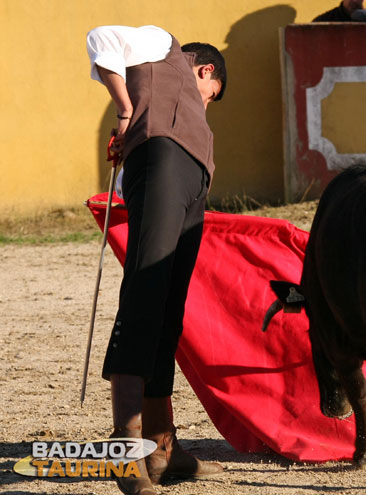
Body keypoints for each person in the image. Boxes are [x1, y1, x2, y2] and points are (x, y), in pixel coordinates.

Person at [86, 25, 227, 495]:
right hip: (164, 159)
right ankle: (124, 450)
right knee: (147, 291)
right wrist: (126, 111)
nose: (204, 105)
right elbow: (101, 35)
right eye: (211, 95)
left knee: (170, 309)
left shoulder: (191, 124)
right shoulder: (162, 44)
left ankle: (161, 446)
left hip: (188, 179)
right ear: (205, 70)